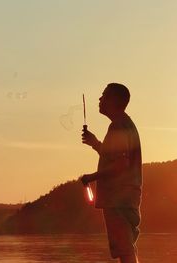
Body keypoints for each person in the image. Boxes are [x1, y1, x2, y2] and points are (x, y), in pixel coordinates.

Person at [80, 83, 142, 263]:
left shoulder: (119, 126)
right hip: (125, 197)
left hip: (118, 198)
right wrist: (95, 144)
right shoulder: (123, 125)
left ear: (114, 100)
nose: (100, 99)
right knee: (127, 248)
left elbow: (120, 165)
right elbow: (115, 158)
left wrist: (91, 177)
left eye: (104, 96)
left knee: (125, 249)